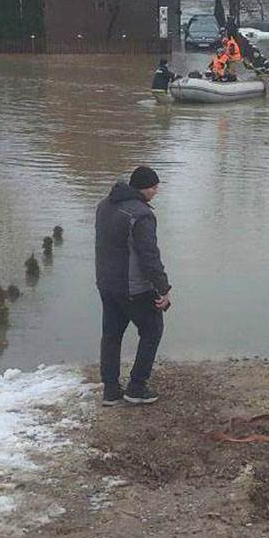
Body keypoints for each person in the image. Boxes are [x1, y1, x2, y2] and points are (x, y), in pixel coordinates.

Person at [95, 166, 172, 406]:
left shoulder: (104, 206)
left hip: (106, 284)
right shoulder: (141, 215)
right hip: (134, 288)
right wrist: (163, 288)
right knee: (152, 330)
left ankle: (110, 390)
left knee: (111, 335)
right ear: (146, 188)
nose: (156, 192)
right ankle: (137, 387)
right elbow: (149, 256)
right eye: (154, 187)